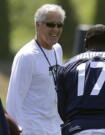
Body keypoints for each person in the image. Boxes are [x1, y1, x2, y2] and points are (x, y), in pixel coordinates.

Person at [6, 4, 66, 135]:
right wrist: (14, 131)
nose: (55, 29)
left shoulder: (57, 49)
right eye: (50, 24)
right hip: (32, 129)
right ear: (38, 25)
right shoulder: (27, 56)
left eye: (59, 25)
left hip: (54, 127)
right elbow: (14, 99)